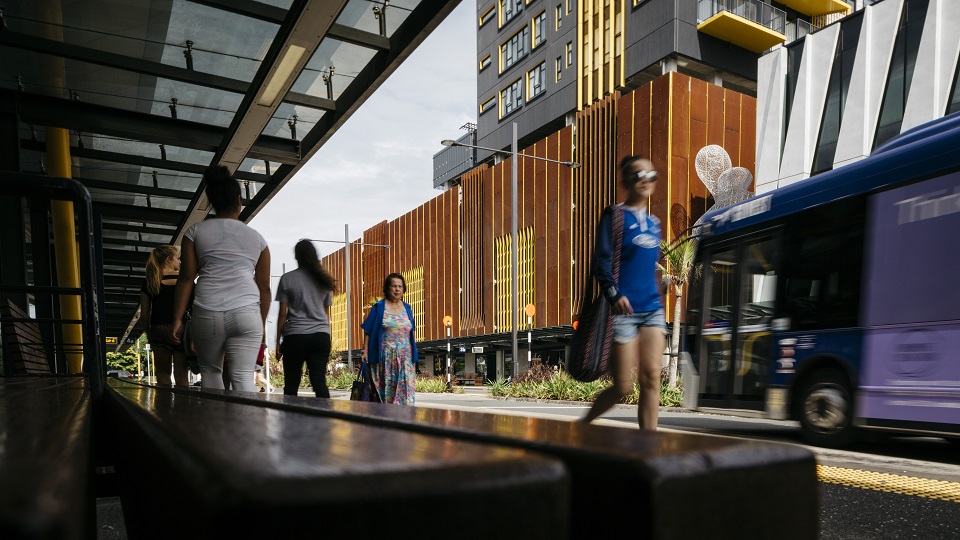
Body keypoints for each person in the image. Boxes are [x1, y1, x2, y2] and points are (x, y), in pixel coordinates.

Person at [581, 155, 667, 430]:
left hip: (652, 309)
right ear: (625, 182)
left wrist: (661, 285)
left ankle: (648, 444)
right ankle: (583, 425)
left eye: (650, 175)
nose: (645, 180)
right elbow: (601, 262)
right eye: (638, 176)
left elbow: (648, 267)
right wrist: (613, 293)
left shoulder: (655, 223)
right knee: (623, 386)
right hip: (623, 313)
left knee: (652, 378)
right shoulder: (614, 216)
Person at [171, 165, 271, 392]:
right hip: (247, 311)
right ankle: (245, 427)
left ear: (212, 200)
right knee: (243, 377)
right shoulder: (257, 239)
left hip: (208, 310)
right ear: (239, 199)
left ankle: (214, 426)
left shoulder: (194, 232)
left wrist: (177, 318)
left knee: (210, 371)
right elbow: (264, 288)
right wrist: (262, 324)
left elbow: (186, 278)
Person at [275, 240, 335, 398]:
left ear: (296, 256)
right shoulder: (324, 280)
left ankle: (290, 420)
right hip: (320, 336)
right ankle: (324, 419)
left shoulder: (287, 279)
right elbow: (326, 313)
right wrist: (325, 335)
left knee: (291, 384)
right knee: (318, 381)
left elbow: (282, 314)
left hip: (295, 336)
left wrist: (277, 342)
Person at [361, 273, 418, 405]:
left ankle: (404, 422)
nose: (397, 289)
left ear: (404, 289)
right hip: (385, 359)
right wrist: (365, 350)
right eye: (394, 286)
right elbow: (368, 330)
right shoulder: (379, 307)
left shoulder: (407, 308)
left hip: (405, 360)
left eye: (400, 286)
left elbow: (411, 331)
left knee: (406, 395)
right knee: (386, 395)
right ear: (387, 288)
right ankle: (387, 420)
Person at [139, 245, 189, 386]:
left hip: (158, 328)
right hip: (181, 329)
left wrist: (149, 333)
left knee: (162, 374)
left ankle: (163, 406)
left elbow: (144, 315)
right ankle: (183, 406)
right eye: (178, 258)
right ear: (168, 259)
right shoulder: (185, 280)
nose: (180, 262)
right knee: (181, 376)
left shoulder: (149, 282)